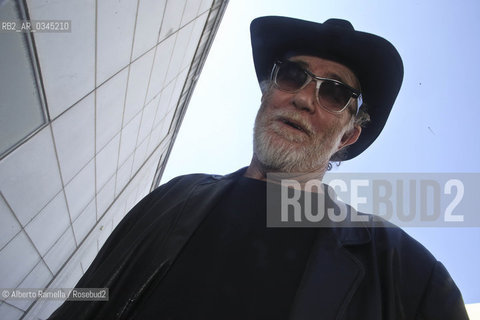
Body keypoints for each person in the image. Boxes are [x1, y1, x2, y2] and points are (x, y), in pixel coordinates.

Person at [49, 16, 468, 320]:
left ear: (348, 136)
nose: (304, 98)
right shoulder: (171, 199)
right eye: (292, 75)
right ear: (268, 93)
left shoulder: (407, 276)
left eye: (335, 93)